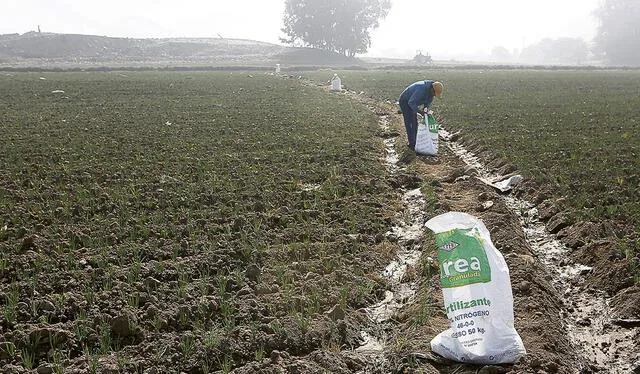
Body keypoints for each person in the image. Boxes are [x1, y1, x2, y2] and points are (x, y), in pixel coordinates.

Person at [397, 80, 443, 163]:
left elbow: (427, 104)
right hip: (405, 101)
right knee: (410, 121)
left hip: (412, 101)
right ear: (432, 89)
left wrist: (426, 112)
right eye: (434, 93)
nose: (434, 95)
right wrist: (419, 111)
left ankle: (415, 142)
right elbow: (411, 102)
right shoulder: (421, 89)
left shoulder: (431, 93)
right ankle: (412, 144)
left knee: (415, 122)